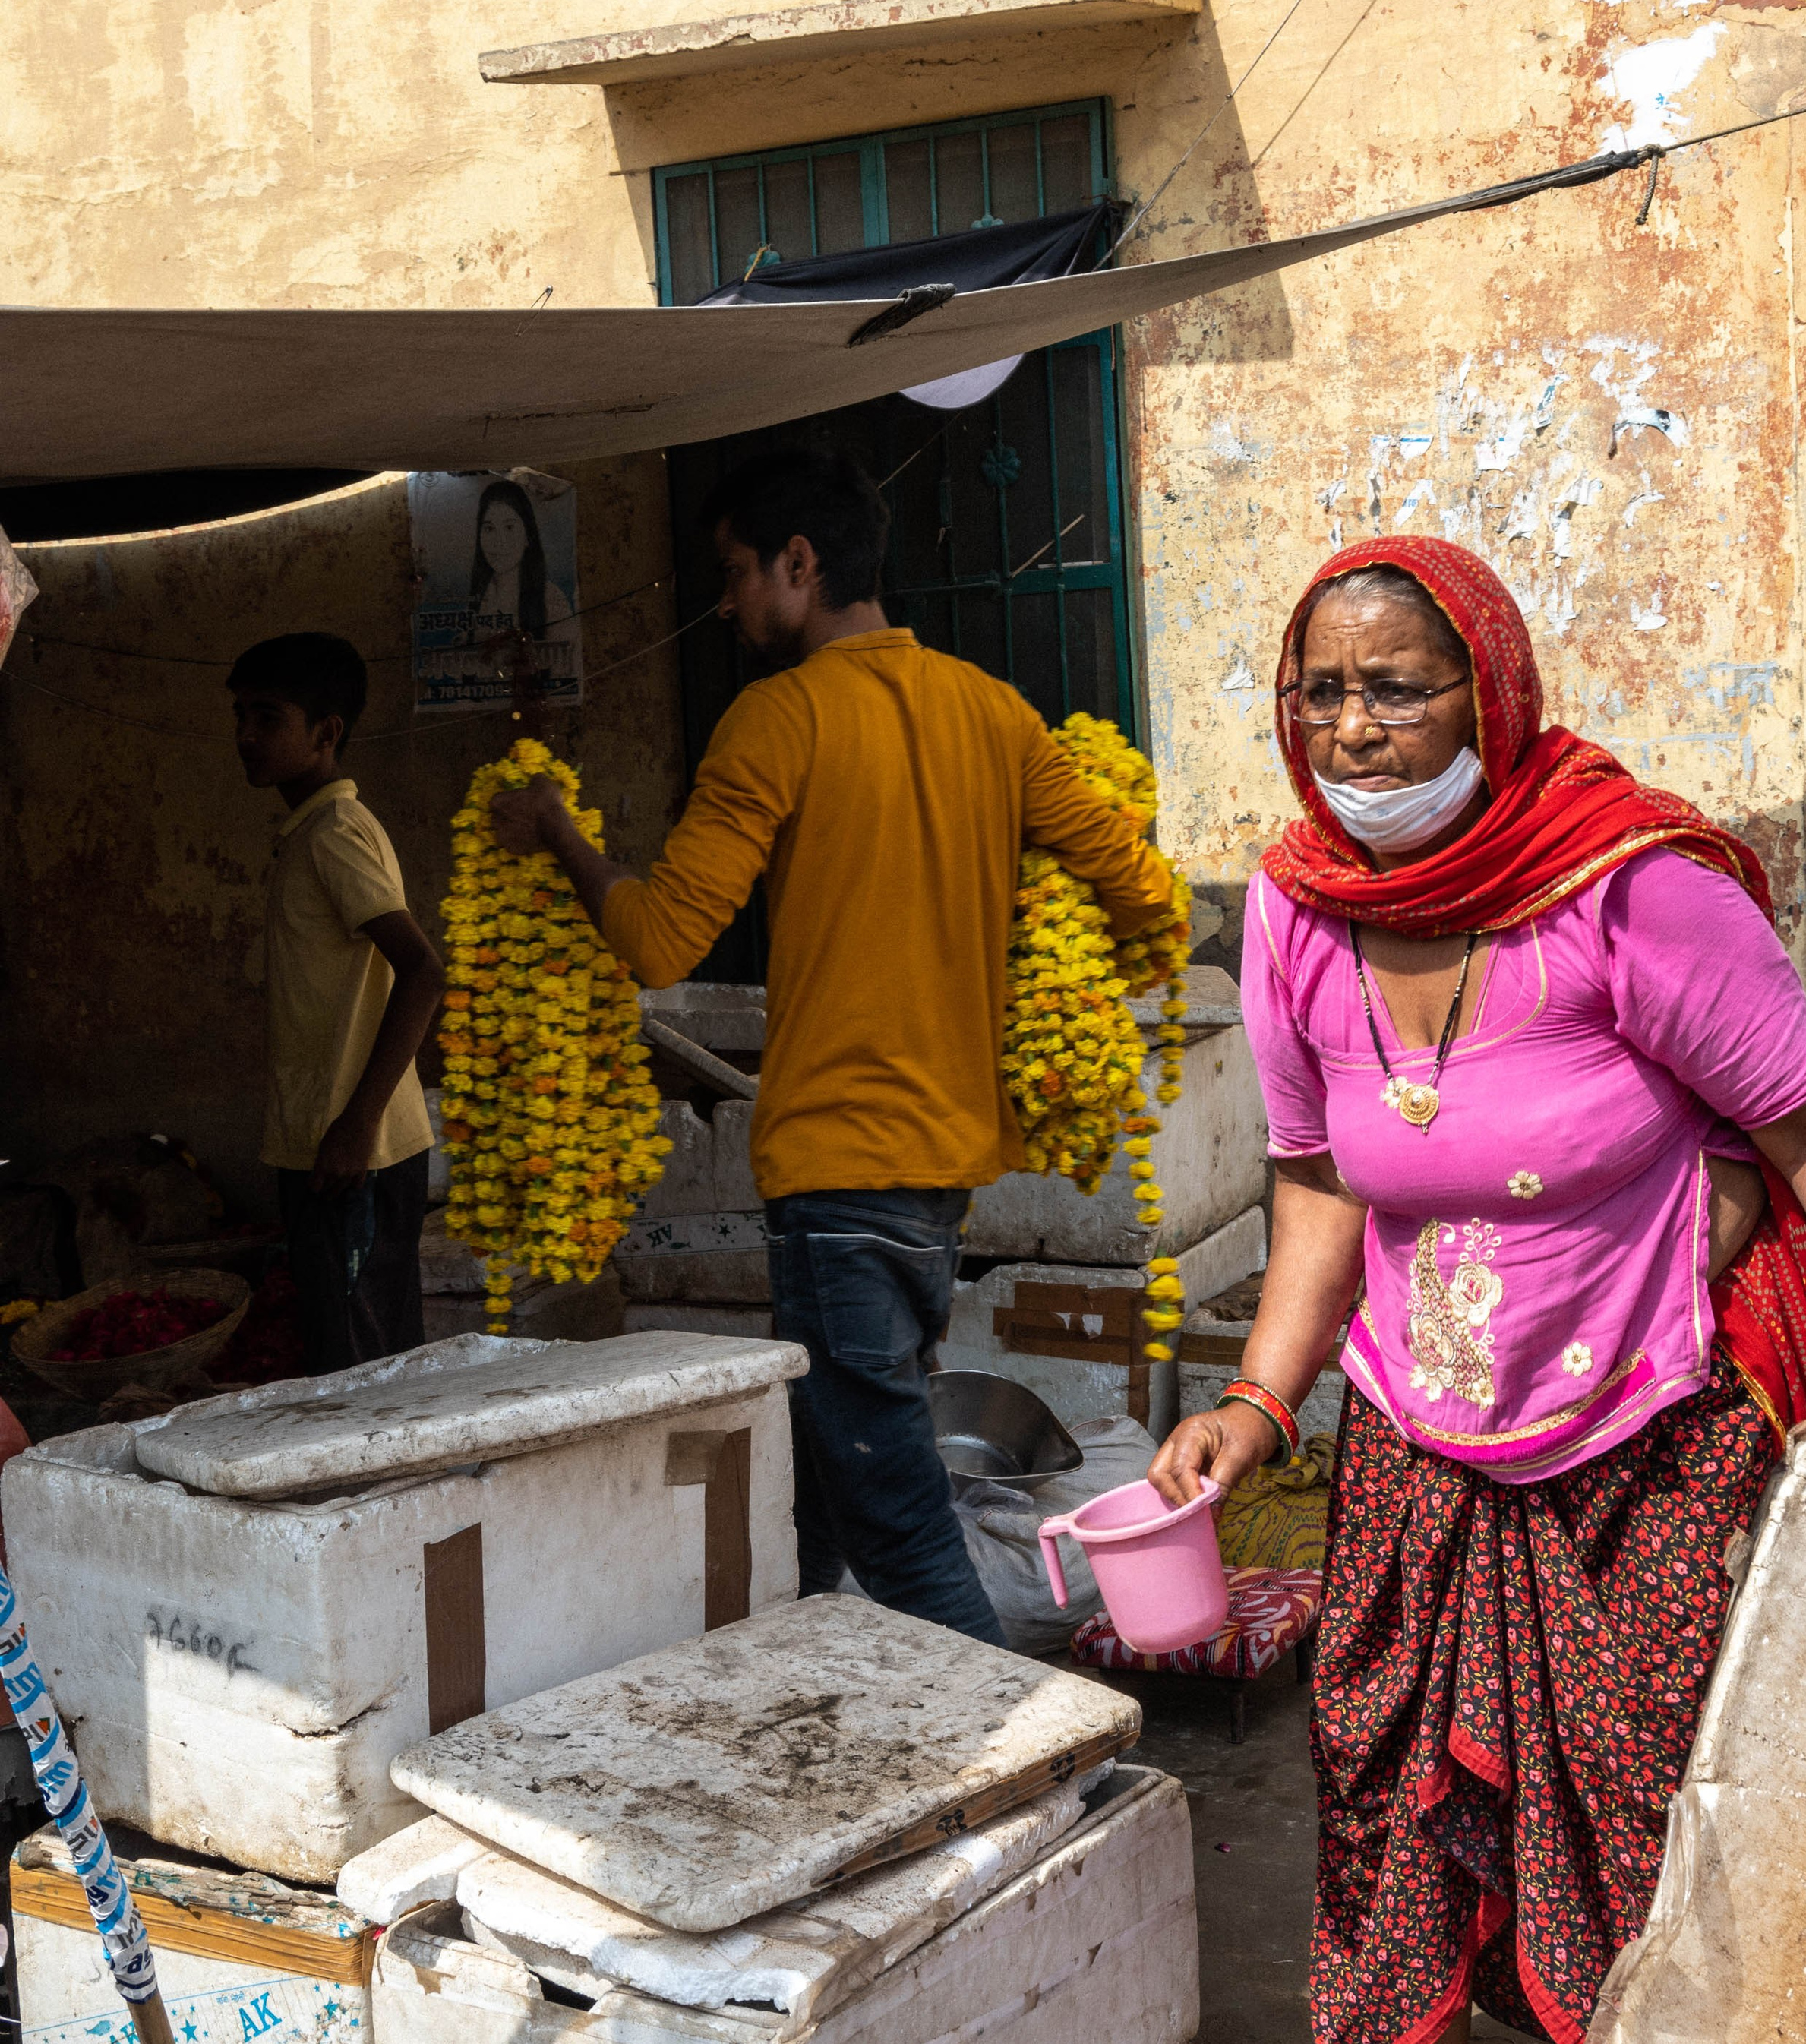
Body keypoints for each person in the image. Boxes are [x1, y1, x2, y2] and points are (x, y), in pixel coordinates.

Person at [1148, 537, 1806, 2044]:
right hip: (1420, 1435)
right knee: (1379, 1770)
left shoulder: (1624, 893)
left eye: (1394, 686)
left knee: (1658, 1807)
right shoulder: (1292, 910)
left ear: (1485, 692)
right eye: (1317, 690)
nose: (1351, 728)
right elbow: (1310, 1180)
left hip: (1639, 1433)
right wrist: (1256, 1399)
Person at [488, 444, 1178, 1645]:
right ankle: (807, 1684)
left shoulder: (779, 718)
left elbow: (658, 941)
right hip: (932, 1185)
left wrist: (555, 832)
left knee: (897, 1521)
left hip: (840, 1178)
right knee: (808, 1489)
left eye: (738, 572)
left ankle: (1013, 1751)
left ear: (801, 565)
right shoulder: (994, 713)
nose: (727, 600)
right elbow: (1140, 888)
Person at [229, 634, 446, 1376]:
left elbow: (422, 971)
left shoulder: (336, 835)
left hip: (356, 1153)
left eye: (267, 718)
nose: (245, 737)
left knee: (363, 1372)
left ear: (326, 734)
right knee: (346, 1359)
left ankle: (385, 1495)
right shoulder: (305, 834)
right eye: (241, 718)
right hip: (330, 1147)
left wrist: (357, 1124)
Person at [469, 479, 575, 645]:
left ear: (527, 535)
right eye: (489, 528)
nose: (499, 542)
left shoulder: (550, 600)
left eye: (509, 527)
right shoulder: (478, 599)